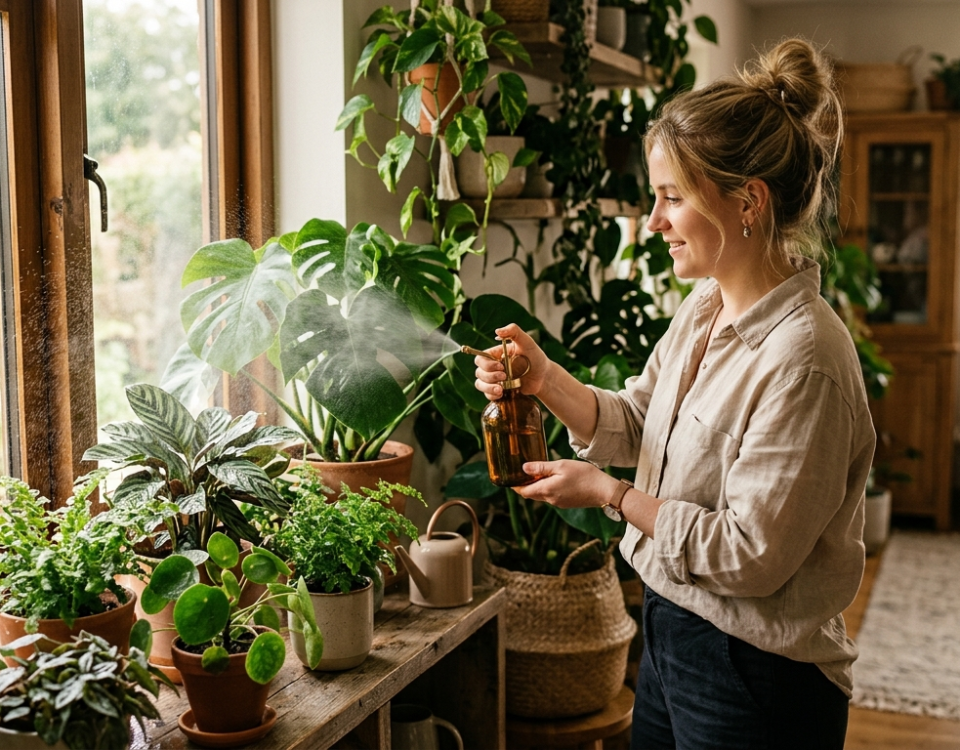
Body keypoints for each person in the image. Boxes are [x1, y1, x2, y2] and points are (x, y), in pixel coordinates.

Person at [470, 38, 875, 750]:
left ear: (747, 202)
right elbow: (638, 420)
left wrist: (612, 496)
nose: (654, 222)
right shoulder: (707, 308)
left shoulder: (804, 359)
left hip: (755, 671)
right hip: (672, 633)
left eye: (671, 198)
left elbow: (752, 555)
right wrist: (547, 380)